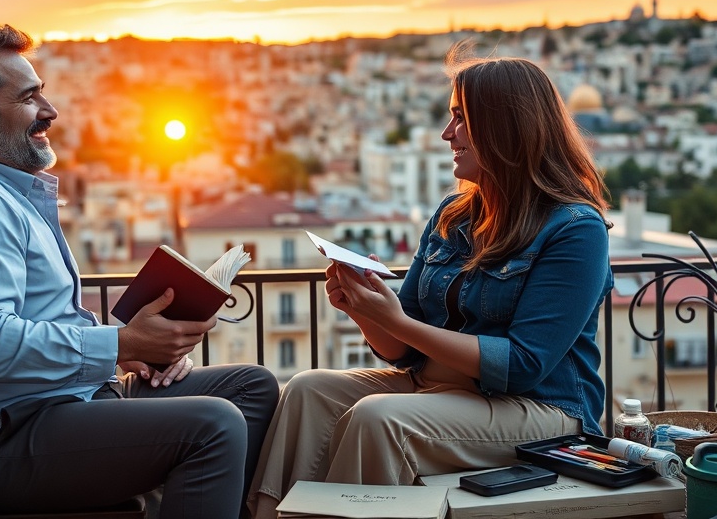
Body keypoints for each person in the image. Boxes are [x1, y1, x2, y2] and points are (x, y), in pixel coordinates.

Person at [0, 24, 278, 519]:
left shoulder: (5, 198)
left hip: (57, 405)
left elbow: (29, 327)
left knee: (252, 387)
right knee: (215, 424)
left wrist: (126, 355)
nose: (50, 112)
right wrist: (122, 345)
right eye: (30, 98)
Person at [247, 45, 614, 518]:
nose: (447, 134)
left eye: (461, 119)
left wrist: (395, 321)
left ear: (505, 128)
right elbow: (404, 348)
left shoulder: (574, 229)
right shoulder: (452, 216)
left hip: (540, 410)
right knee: (306, 390)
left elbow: (523, 364)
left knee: (379, 419)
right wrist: (364, 309)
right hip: (438, 390)